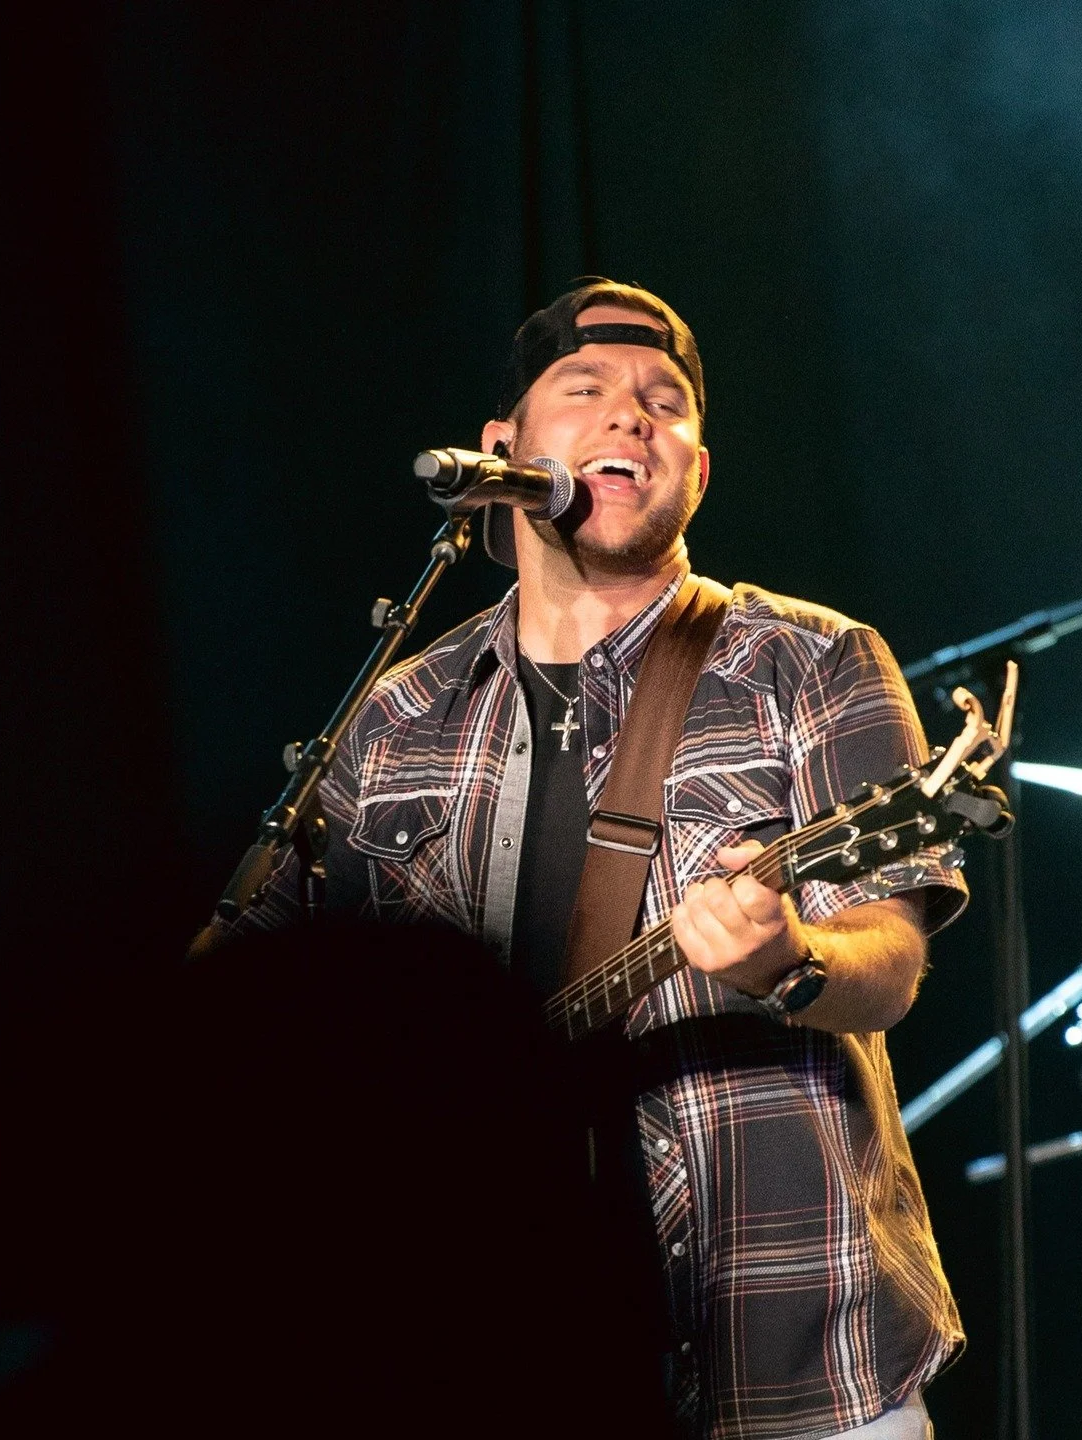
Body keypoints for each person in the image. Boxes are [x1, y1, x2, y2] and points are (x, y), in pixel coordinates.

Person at [209, 278, 970, 1439]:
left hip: (789, 1357)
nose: (630, 415)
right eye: (587, 389)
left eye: (665, 401)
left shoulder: (812, 661)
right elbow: (266, 1001)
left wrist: (791, 959)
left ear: (696, 472)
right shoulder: (397, 712)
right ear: (501, 451)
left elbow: (893, 960)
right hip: (483, 1342)